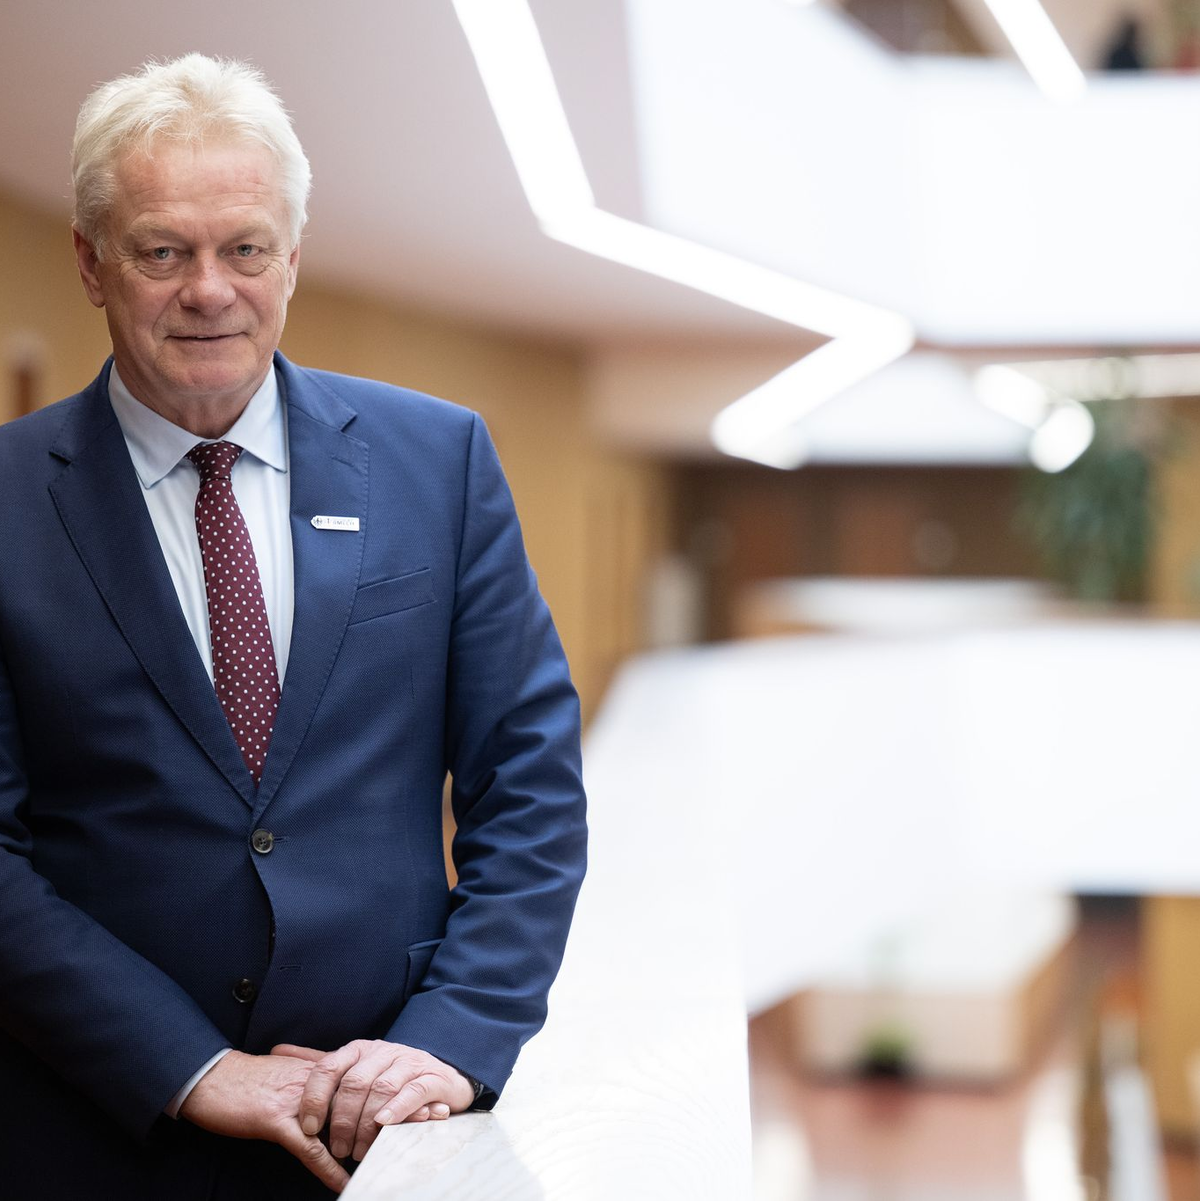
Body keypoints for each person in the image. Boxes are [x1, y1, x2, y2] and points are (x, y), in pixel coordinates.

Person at [0, 53, 586, 1199]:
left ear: (293, 255)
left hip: (389, 1131)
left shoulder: (439, 461)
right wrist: (190, 1064)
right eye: (163, 250)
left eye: (245, 247)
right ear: (91, 262)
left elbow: (531, 788)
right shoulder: (9, 497)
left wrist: (451, 1038)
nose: (208, 288)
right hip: (94, 1125)